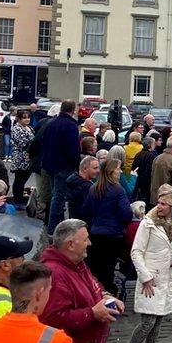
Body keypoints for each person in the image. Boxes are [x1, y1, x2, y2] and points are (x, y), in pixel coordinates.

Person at [117, 188, 172, 343]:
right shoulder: (148, 224)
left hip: (169, 278)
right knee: (147, 322)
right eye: (158, 202)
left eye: (164, 203)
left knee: (157, 321)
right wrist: (145, 276)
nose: (159, 206)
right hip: (150, 278)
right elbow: (136, 252)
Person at [80, 158, 133, 295]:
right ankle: (108, 295)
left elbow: (86, 211)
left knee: (97, 267)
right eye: (118, 169)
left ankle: (95, 293)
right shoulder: (118, 190)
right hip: (113, 235)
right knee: (108, 268)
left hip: (96, 232)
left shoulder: (94, 188)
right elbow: (126, 214)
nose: (120, 171)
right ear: (111, 172)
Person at [43, 101, 83, 236]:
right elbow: (73, 149)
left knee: (56, 196)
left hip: (50, 165)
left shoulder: (51, 123)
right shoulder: (71, 126)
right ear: (73, 110)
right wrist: (76, 163)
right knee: (59, 198)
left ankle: (56, 226)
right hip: (64, 165)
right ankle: (53, 229)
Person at [9, 110, 34, 206]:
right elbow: (22, 143)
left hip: (28, 157)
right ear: (19, 119)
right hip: (20, 157)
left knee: (23, 180)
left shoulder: (30, 128)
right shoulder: (16, 129)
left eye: (28, 117)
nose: (27, 119)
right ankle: (17, 200)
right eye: (24, 117)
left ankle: (20, 198)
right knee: (19, 180)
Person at [66, 156, 99, 221]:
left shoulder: (72, 181)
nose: (98, 170)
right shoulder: (87, 188)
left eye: (98, 167)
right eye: (95, 168)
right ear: (85, 169)